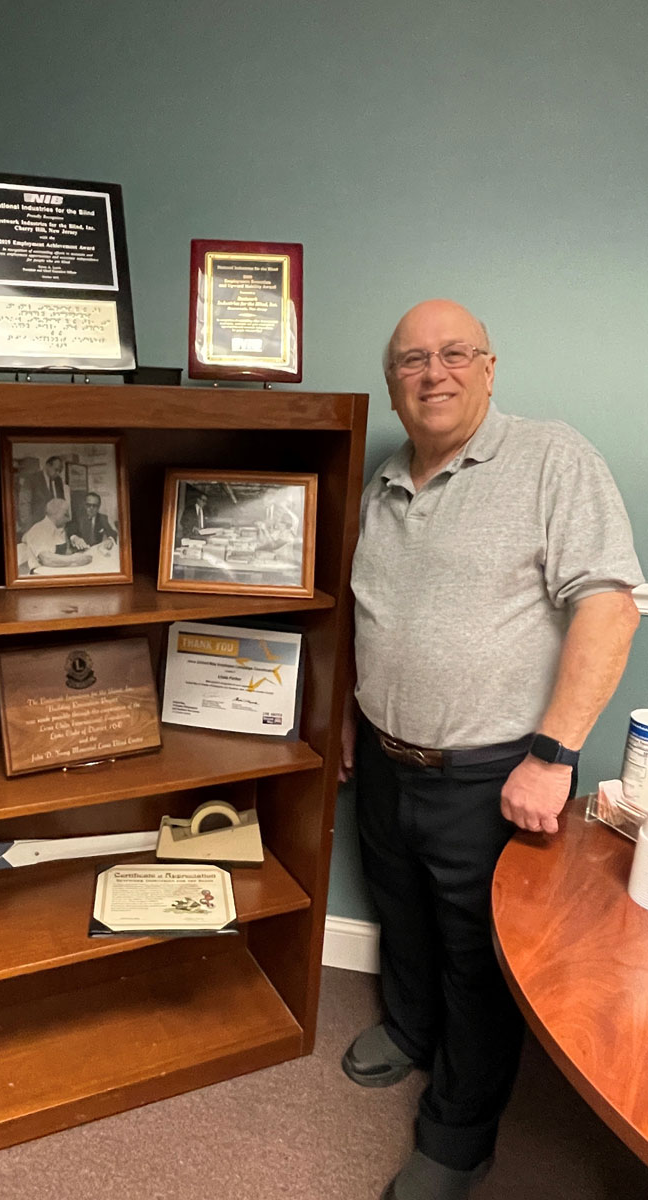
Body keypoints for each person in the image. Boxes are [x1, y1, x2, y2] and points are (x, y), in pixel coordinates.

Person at [342, 299, 643, 1200]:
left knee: (480, 956)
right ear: (393, 384)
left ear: (489, 366)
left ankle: (459, 1134)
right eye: (410, 361)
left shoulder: (552, 458)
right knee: (402, 912)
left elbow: (610, 604)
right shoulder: (383, 483)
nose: (434, 373)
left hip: (500, 774)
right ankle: (406, 1029)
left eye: (454, 353)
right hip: (388, 760)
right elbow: (372, 618)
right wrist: (353, 715)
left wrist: (554, 755)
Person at [21, 497, 91, 572]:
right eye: (65, 514)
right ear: (56, 513)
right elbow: (47, 559)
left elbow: (64, 552)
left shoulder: (57, 528)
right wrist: (74, 559)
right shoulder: (40, 529)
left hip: (54, 570)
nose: (68, 519)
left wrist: (78, 548)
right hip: (41, 574)